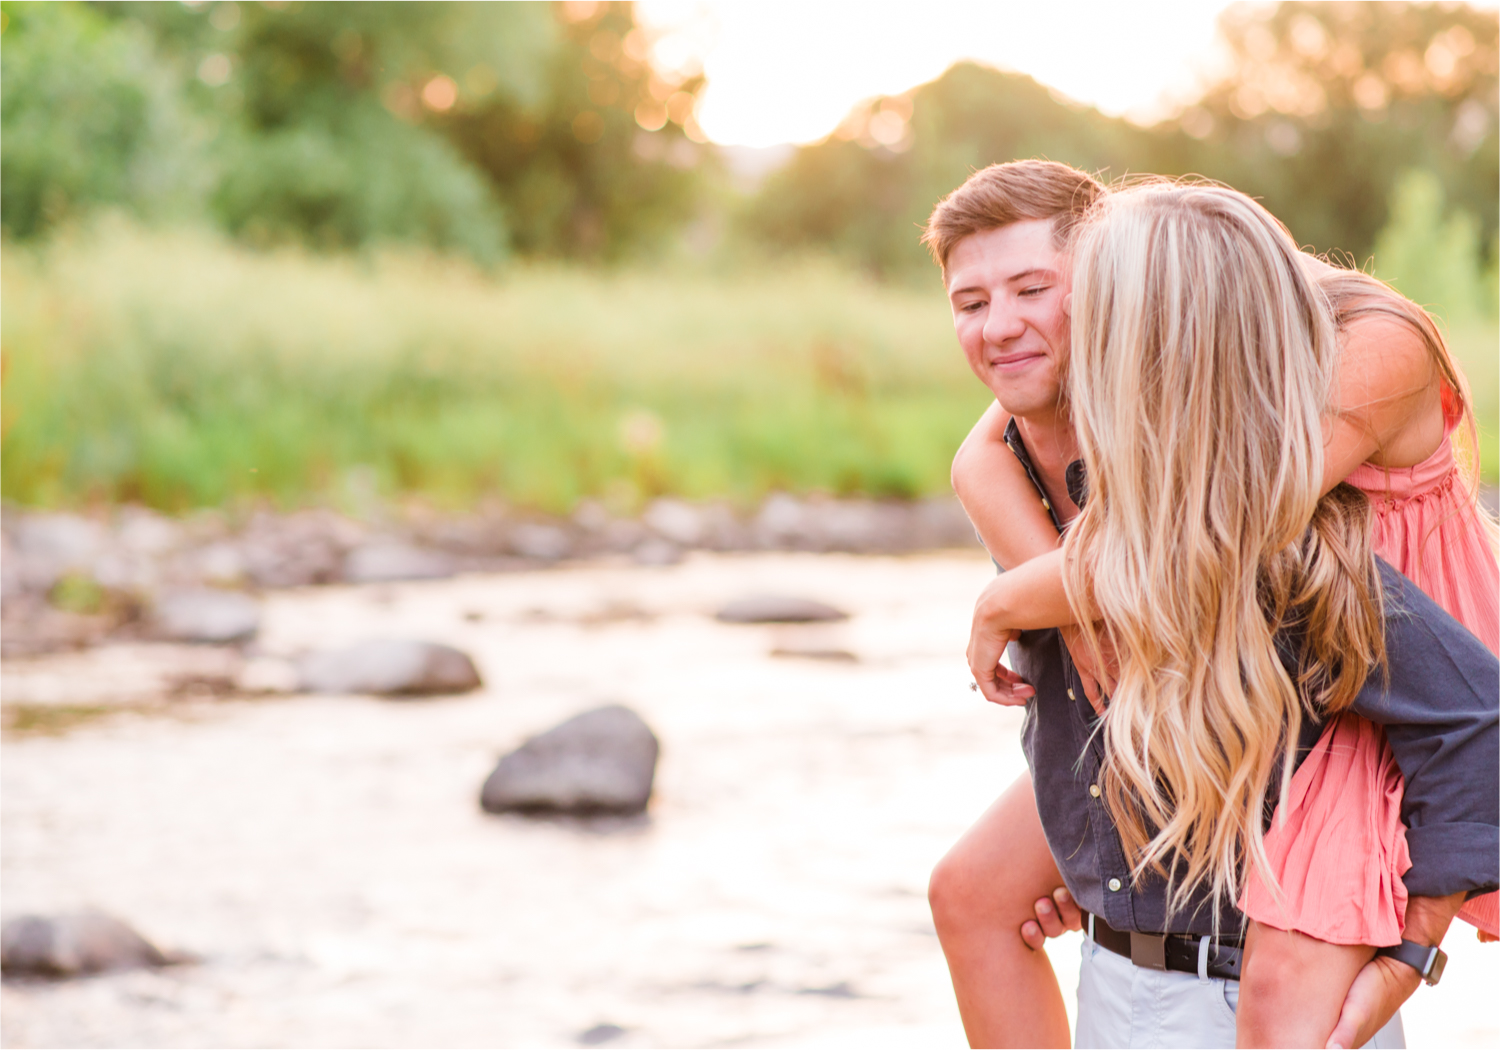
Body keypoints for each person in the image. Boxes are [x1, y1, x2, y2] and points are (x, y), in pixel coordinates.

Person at [925, 164, 1498, 1048]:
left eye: (1042, 291)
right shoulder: (1067, 441)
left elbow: (1219, 537)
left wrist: (1008, 599)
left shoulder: (1367, 352)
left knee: (1286, 985)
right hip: (1272, 669)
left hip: (1384, 662)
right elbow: (1115, 677)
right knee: (972, 892)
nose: (1005, 325)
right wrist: (1111, 871)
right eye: (973, 302)